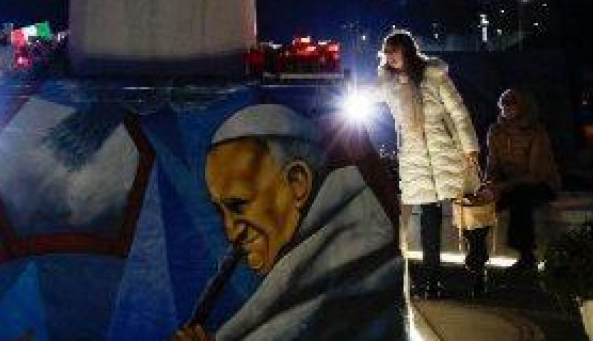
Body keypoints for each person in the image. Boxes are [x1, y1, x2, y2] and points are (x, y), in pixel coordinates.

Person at [170, 104, 403, 341]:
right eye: (221, 212)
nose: (232, 233)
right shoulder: (306, 275)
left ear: (297, 183)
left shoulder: (356, 262)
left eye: (238, 205)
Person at [373, 30, 484, 298]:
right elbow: (369, 96)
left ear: (407, 50)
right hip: (416, 160)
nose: (390, 56)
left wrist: (470, 146)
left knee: (469, 215)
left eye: (394, 50)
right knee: (428, 222)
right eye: (387, 51)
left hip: (448, 153)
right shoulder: (388, 83)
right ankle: (431, 281)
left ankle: (477, 269)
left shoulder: (434, 75)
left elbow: (459, 112)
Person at [484, 89, 560, 272]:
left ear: (522, 107)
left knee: (521, 199)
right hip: (508, 184)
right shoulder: (496, 131)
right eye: (504, 105)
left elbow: (535, 173)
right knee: (481, 203)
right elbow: (492, 164)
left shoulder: (536, 132)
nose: (506, 109)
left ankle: (526, 256)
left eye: (512, 105)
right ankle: (477, 254)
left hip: (540, 183)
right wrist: (489, 184)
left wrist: (503, 186)